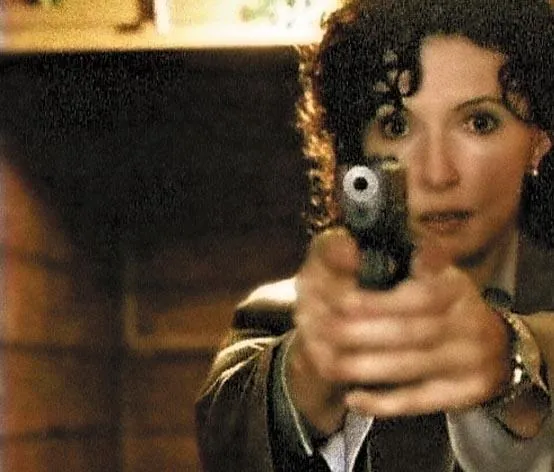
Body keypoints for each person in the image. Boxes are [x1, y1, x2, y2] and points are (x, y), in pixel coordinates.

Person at [195, 0, 554, 470]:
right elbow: (228, 431)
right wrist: (306, 375)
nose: (437, 173)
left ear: (538, 142)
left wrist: (516, 361)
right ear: (358, 151)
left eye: (478, 122)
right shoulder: (277, 314)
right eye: (397, 126)